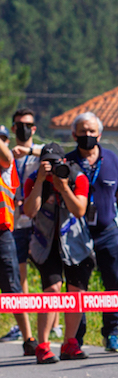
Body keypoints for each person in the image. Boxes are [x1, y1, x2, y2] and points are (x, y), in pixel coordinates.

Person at [66, 112, 118, 353]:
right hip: (76, 234)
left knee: (115, 281)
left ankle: (112, 333)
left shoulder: (112, 159)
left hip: (108, 231)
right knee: (77, 287)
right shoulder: (67, 163)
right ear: (74, 134)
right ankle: (76, 337)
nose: (87, 135)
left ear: (100, 134)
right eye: (83, 131)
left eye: (92, 131)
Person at [22, 143, 93, 363]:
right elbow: (29, 211)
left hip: (75, 243)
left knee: (76, 293)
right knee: (52, 290)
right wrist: (41, 181)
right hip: (46, 245)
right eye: (47, 163)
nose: (52, 167)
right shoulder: (34, 179)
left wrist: (63, 187)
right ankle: (43, 346)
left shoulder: (76, 177)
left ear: (64, 162)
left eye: (55, 163)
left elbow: (79, 210)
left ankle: (70, 343)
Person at [0, 109, 45, 348]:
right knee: (18, 279)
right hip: (15, 226)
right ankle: (25, 332)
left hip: (20, 227)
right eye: (19, 125)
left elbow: (53, 154)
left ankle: (35, 334)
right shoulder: (9, 157)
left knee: (18, 284)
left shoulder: (11, 161)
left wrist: (26, 151)